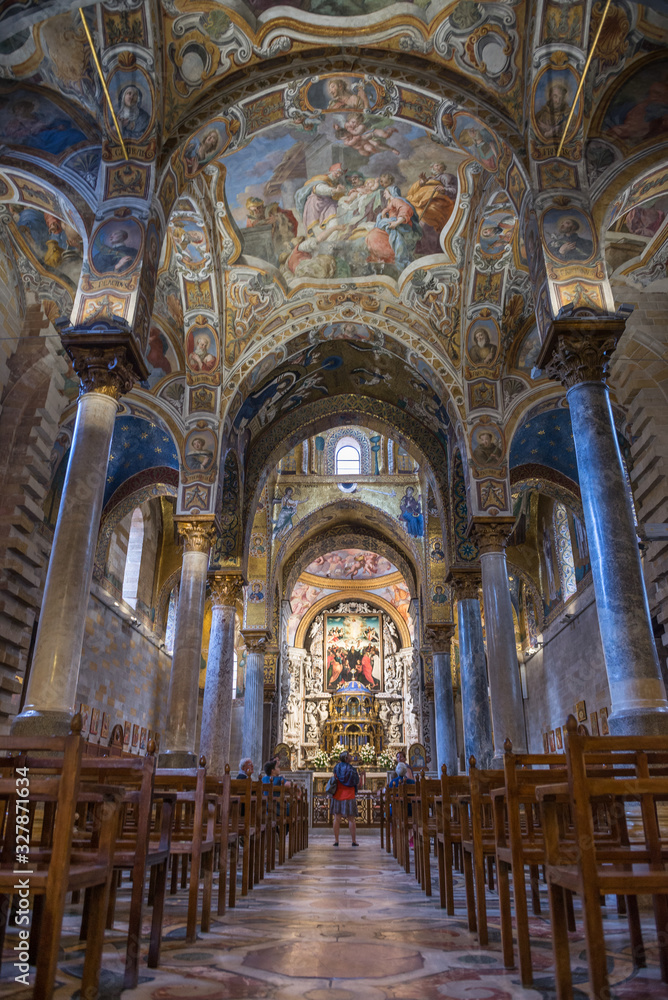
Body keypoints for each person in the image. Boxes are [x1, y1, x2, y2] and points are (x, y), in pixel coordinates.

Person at [331, 750, 360, 846]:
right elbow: (356, 781)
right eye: (349, 756)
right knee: (351, 819)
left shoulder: (336, 767)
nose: (351, 757)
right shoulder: (351, 769)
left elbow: (334, 778)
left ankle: (336, 840)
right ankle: (353, 841)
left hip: (338, 794)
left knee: (337, 818)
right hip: (349, 794)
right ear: (346, 758)